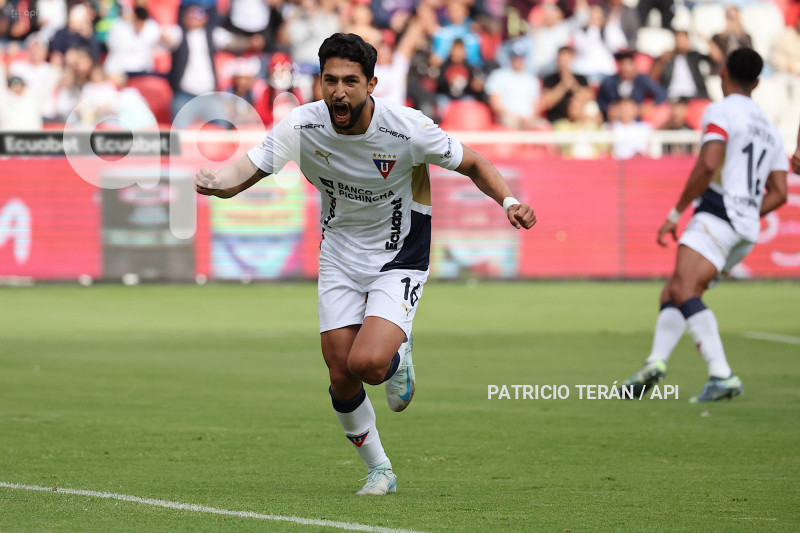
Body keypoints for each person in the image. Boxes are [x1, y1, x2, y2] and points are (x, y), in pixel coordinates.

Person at [194, 33, 536, 494]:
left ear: (372, 83)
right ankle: (380, 469)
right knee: (340, 372)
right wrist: (216, 179)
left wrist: (509, 201)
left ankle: (397, 352)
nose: (339, 91)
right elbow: (246, 170)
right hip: (338, 254)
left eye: (351, 81)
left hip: (400, 254)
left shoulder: (406, 128)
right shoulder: (302, 125)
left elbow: (473, 164)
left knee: (370, 364)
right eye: (330, 80)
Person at [619, 49, 788, 403]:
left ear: (722, 71)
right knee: (675, 291)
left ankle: (721, 374)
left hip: (716, 213)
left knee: (685, 291)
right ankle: (655, 363)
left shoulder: (721, 110)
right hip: (744, 229)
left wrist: (676, 212)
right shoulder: (770, 129)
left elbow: (708, 164)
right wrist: (745, 212)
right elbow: (780, 193)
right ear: (756, 82)